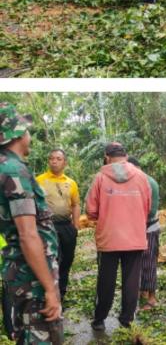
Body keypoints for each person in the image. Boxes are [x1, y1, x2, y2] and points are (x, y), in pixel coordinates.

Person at [0, 103, 63, 344]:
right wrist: (49, 289)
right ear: (17, 134)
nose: (29, 135)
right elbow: (28, 234)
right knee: (42, 335)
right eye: (26, 130)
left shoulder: (5, 167)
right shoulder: (15, 172)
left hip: (21, 271)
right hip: (32, 276)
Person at [85, 142, 151, 332]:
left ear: (107, 156)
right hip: (135, 237)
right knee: (131, 280)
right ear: (126, 155)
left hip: (109, 238)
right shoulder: (141, 176)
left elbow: (90, 210)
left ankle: (99, 320)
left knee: (106, 280)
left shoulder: (99, 178)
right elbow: (147, 207)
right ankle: (127, 319)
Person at [35, 149, 79, 299]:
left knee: (67, 259)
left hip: (66, 226)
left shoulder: (70, 183)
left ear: (65, 162)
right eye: (51, 158)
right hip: (46, 226)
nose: (54, 161)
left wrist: (75, 226)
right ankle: (49, 294)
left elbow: (75, 205)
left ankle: (61, 291)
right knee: (50, 259)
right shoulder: (39, 180)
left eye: (58, 159)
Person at [127, 157, 159, 312]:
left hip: (148, 228)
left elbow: (151, 211)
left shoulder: (149, 182)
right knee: (136, 262)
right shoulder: (131, 182)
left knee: (148, 263)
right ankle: (142, 291)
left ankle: (152, 298)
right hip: (134, 228)